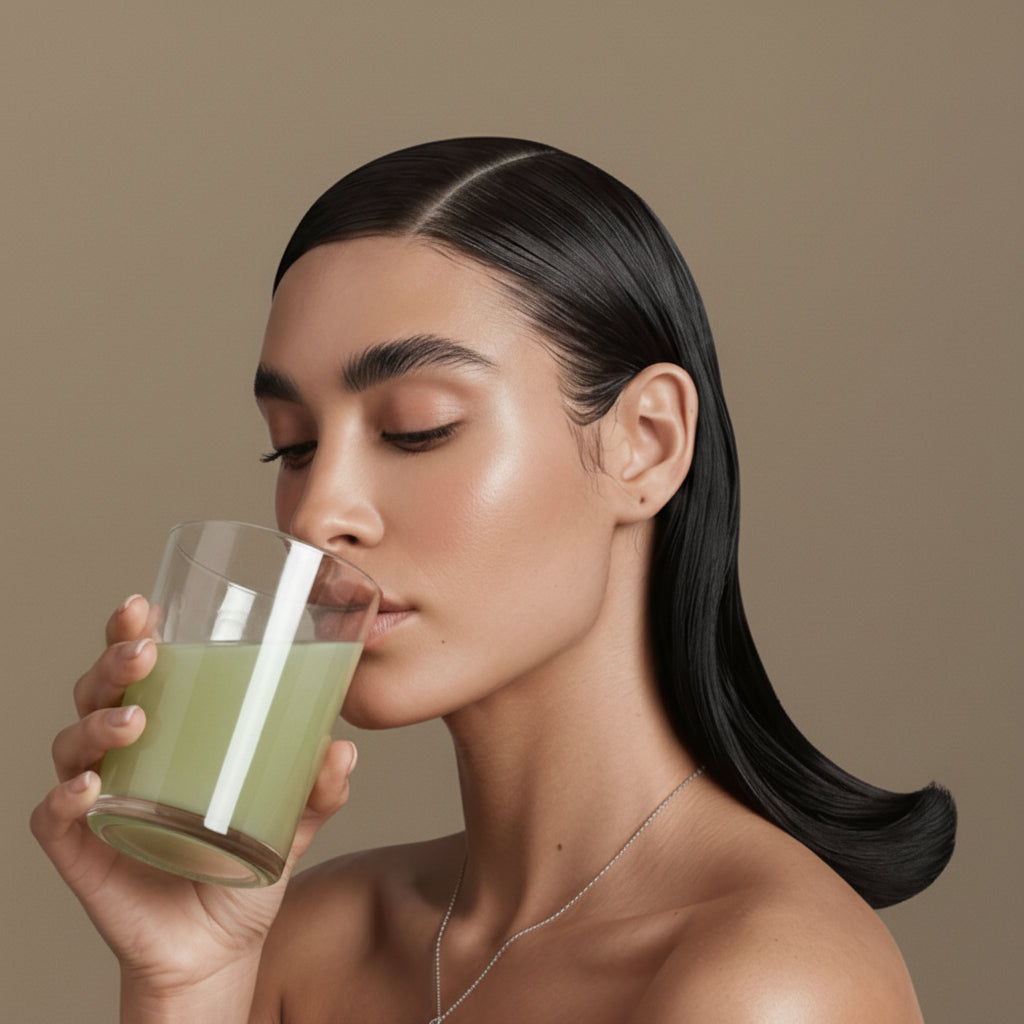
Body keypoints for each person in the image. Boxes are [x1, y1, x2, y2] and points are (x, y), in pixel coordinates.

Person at [32, 137, 955, 1023]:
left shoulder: (770, 988)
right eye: (295, 446)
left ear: (647, 443)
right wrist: (183, 984)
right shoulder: (305, 946)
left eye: (417, 429)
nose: (317, 516)